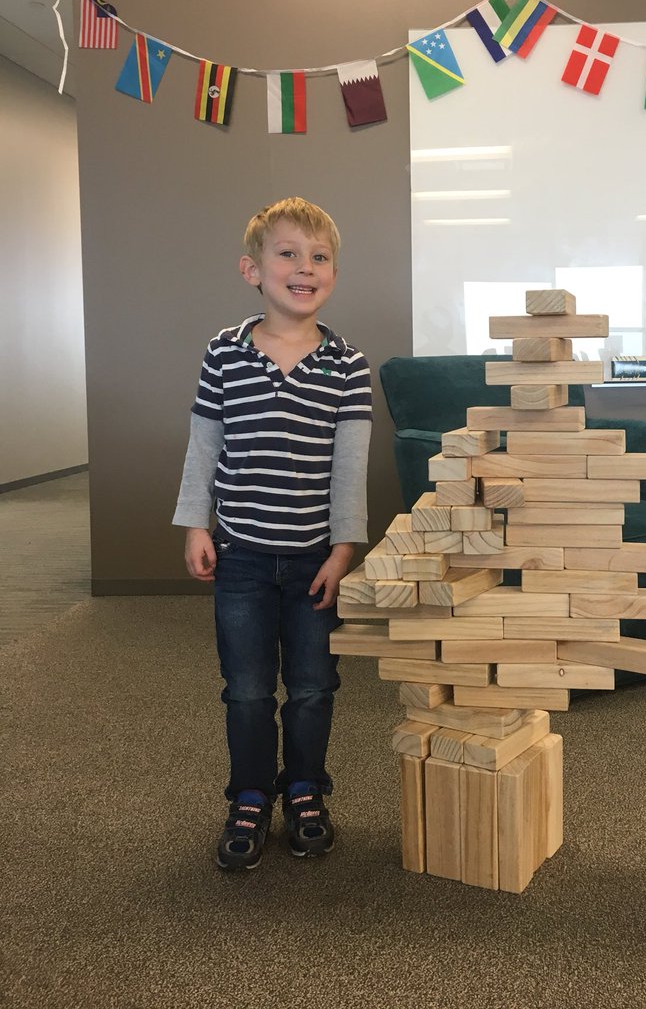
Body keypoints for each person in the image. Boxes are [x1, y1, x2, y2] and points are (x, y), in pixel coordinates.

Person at [172, 196, 372, 871]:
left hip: (316, 559)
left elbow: (350, 470)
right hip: (244, 559)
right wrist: (195, 523)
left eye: (319, 257)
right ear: (251, 269)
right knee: (249, 688)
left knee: (315, 686)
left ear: (333, 275)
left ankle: (307, 789)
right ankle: (252, 793)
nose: (304, 267)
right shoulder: (224, 354)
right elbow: (205, 447)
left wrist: (345, 550)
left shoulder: (347, 363)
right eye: (286, 253)